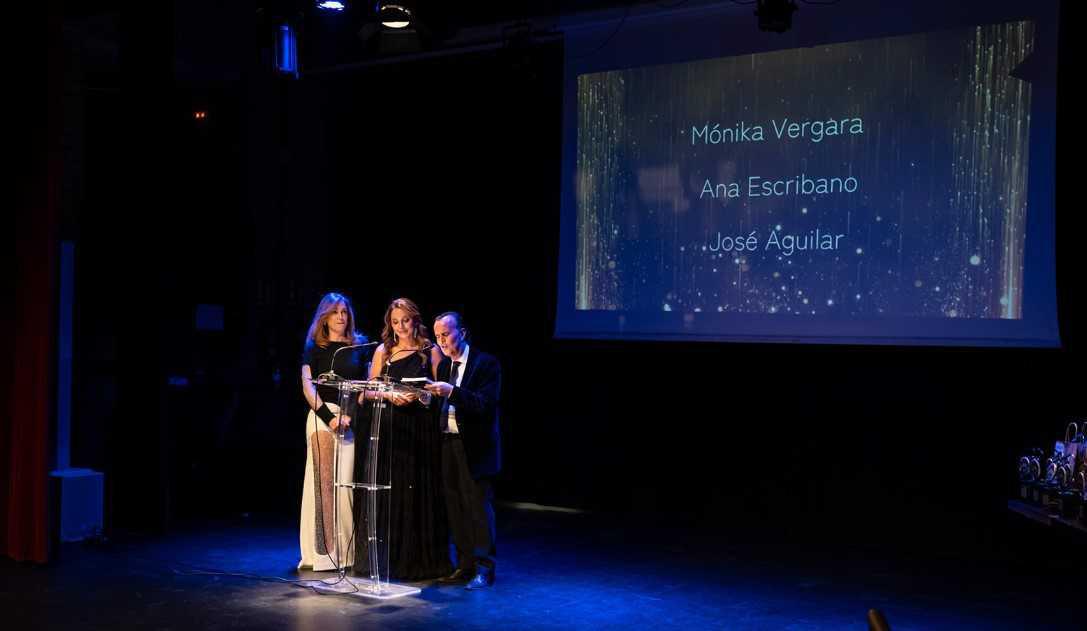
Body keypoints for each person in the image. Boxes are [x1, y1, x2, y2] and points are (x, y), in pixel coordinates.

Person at [353, 297, 451, 580]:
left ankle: (416, 562)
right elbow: (365, 393)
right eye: (395, 322)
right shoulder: (383, 351)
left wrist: (418, 395)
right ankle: (388, 562)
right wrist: (390, 395)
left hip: (419, 432)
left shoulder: (429, 351)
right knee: (390, 494)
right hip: (388, 432)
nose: (401, 327)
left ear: (415, 319)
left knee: (414, 493)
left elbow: (439, 392)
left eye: (405, 320)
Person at [425, 312, 501, 589]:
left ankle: (484, 568)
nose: (441, 341)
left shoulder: (486, 364)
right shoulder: (444, 367)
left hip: (475, 448)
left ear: (463, 332)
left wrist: (451, 393)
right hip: (448, 443)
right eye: (437, 336)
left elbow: (484, 404)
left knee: (477, 509)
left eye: (445, 334)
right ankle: (464, 565)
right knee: (455, 507)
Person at [299, 292, 369, 571]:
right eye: (336, 312)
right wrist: (330, 417)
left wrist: (350, 413)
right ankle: (322, 554)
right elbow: (308, 386)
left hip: (349, 419)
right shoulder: (314, 348)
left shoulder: (358, 347)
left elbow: (364, 387)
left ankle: (346, 553)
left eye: (345, 312)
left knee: (345, 486)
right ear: (324, 317)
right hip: (322, 417)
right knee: (323, 484)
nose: (342, 317)